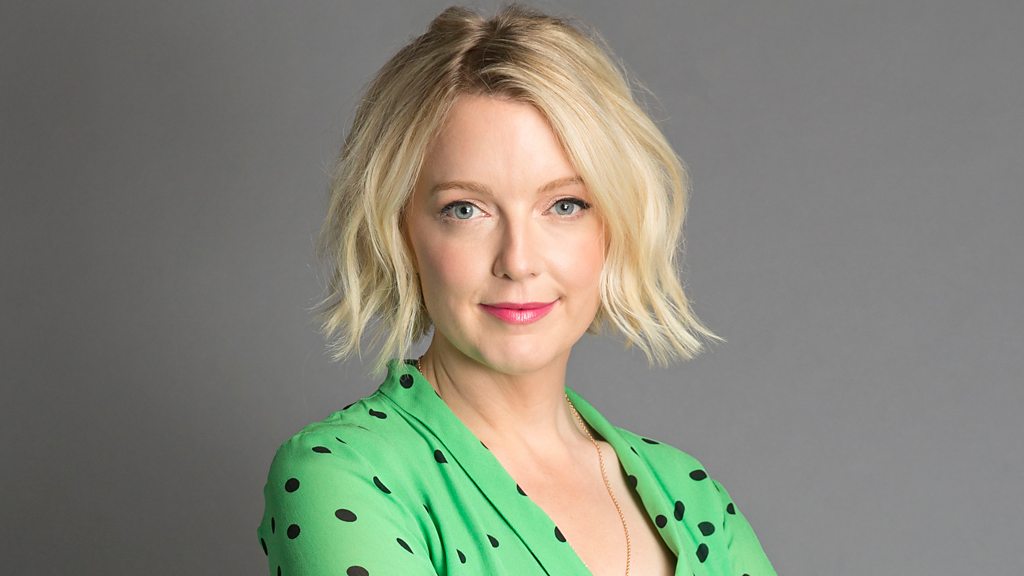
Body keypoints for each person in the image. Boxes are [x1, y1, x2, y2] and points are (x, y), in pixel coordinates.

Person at [256, 4, 776, 575]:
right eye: (465, 209)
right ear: (400, 232)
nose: (519, 261)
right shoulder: (342, 473)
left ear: (614, 224)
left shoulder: (693, 496)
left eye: (565, 205)